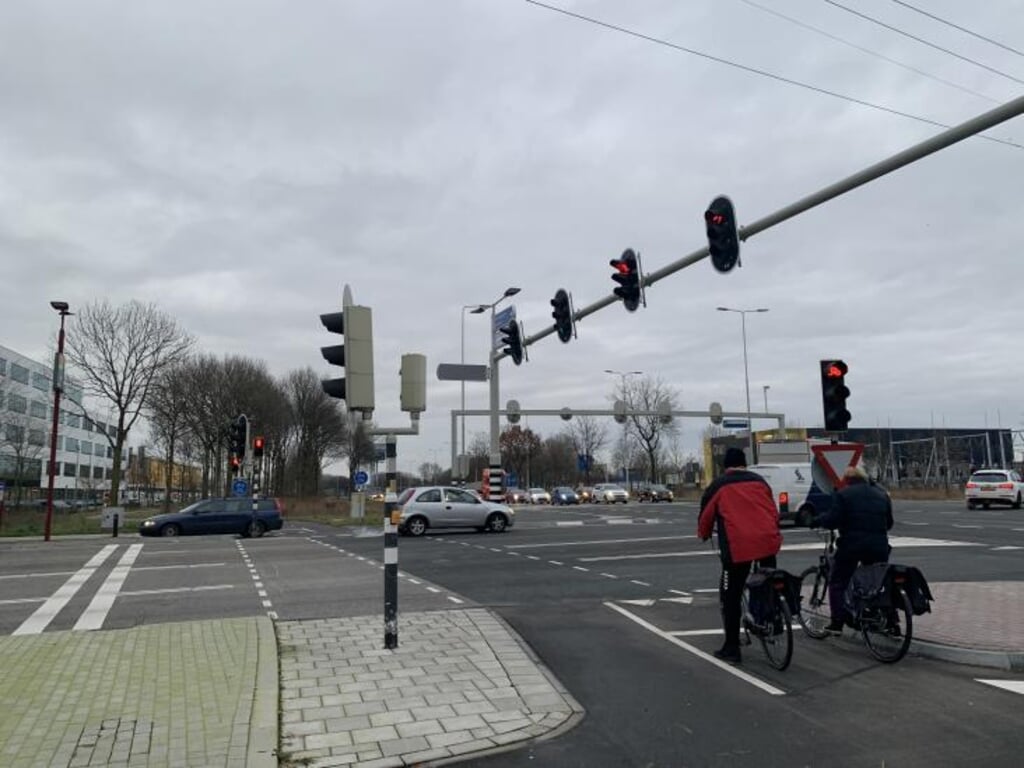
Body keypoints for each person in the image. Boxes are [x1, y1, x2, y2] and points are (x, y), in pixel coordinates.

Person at [698, 447, 783, 663]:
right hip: (767, 541)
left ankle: (732, 647)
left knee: (731, 595)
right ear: (744, 463)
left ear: (726, 465)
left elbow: (706, 517)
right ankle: (774, 618)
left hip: (739, 547)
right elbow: (773, 512)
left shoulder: (718, 486)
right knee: (768, 580)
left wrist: (704, 533)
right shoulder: (760, 481)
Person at [814, 465, 894, 633]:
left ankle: (837, 623)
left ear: (847, 480)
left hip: (852, 546)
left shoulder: (843, 495)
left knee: (838, 582)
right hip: (879, 546)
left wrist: (818, 520)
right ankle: (888, 620)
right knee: (876, 582)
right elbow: (889, 523)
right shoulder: (881, 494)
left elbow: (833, 520)